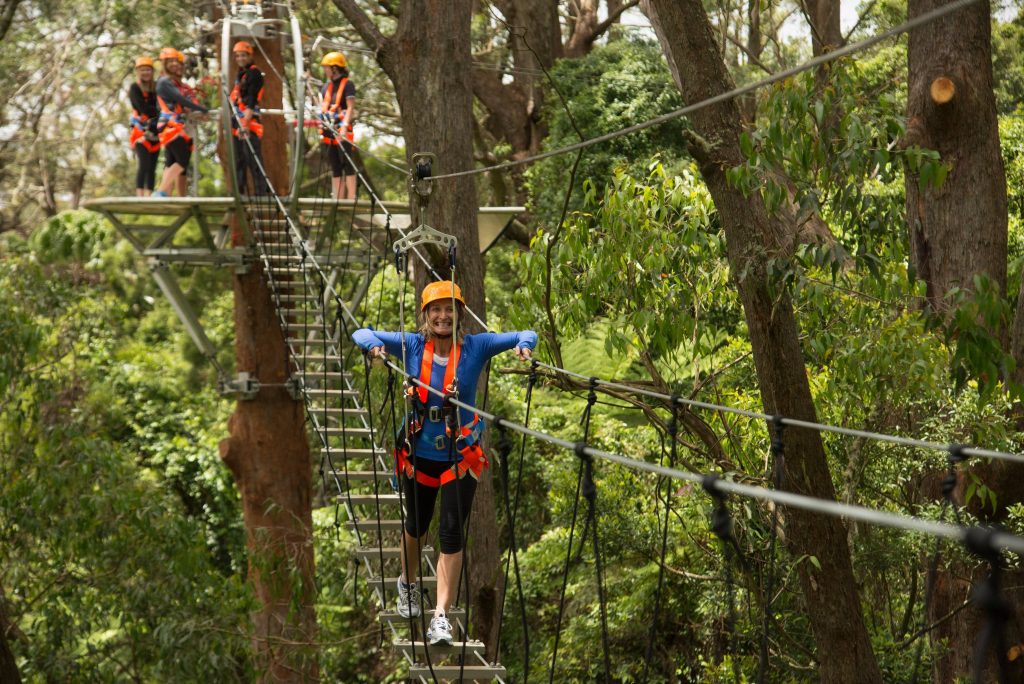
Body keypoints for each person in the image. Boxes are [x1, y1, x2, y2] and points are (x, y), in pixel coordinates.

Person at [352, 281, 536, 646]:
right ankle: (407, 582)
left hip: (460, 456)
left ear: (459, 315)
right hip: (419, 455)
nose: (443, 316)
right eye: (436, 310)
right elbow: (361, 330)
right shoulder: (411, 344)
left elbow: (526, 331)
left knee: (451, 533)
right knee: (417, 528)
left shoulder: (476, 346)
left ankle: (440, 617)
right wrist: (373, 346)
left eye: (450, 309)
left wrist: (524, 346)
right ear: (426, 316)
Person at [152, 47, 209, 197]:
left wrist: (195, 110)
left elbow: (184, 102)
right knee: (182, 159)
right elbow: (181, 100)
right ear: (164, 64)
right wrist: (202, 109)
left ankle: (165, 195)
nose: (174, 65)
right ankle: (162, 191)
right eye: (170, 62)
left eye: (176, 62)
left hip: (173, 124)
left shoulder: (172, 83)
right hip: (171, 125)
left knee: (172, 161)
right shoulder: (164, 82)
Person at [229, 41, 268, 196]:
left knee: (253, 157)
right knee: (239, 158)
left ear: (250, 56)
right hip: (237, 118)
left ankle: (261, 191)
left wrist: (245, 123)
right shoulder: (241, 73)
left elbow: (252, 99)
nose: (240, 58)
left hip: (248, 118)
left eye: (243, 55)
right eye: (238, 56)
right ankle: (239, 190)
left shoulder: (254, 73)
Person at [319, 51, 356, 200]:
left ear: (335, 68)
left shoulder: (348, 84)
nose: (325, 70)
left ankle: (351, 197)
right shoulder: (325, 87)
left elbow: (350, 107)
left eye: (326, 67)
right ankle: (338, 198)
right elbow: (323, 106)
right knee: (335, 165)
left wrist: (345, 127)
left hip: (342, 128)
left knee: (347, 163)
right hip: (329, 128)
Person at [128, 56, 161, 196]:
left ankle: (149, 195)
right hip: (140, 130)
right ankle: (140, 195)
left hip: (156, 130)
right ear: (138, 71)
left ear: (152, 71)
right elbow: (142, 107)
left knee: (153, 165)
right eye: (143, 70)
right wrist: (159, 113)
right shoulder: (134, 88)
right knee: (144, 164)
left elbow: (161, 105)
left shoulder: (157, 87)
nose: (145, 73)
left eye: (148, 70)